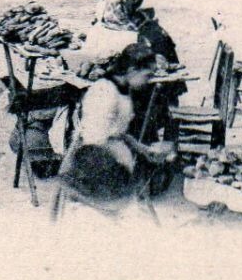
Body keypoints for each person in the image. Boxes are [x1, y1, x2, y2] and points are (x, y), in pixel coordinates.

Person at [51, 44, 174, 221]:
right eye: (147, 75)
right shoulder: (104, 92)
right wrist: (121, 168)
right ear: (132, 70)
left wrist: (143, 150)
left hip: (115, 162)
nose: (149, 80)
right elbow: (94, 141)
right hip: (97, 166)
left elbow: (117, 132)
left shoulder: (121, 89)